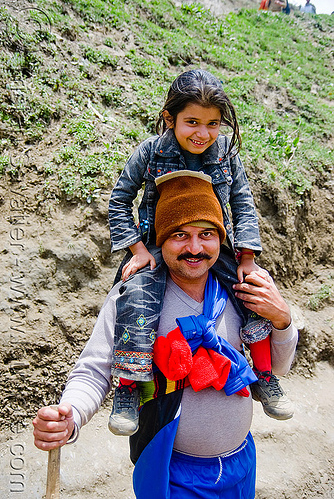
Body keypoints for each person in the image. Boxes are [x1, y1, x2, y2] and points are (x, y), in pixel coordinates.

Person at [33, 171, 298, 499]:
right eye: (180, 235)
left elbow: (278, 369)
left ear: (221, 238)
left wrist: (283, 319)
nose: (195, 247)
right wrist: (68, 416)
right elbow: (93, 371)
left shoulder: (242, 290)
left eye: (206, 234)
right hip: (171, 473)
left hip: (241, 462)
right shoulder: (134, 297)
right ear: (161, 238)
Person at [107, 69, 293, 436]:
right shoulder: (150, 152)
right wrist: (139, 249)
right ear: (169, 118)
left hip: (212, 247)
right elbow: (119, 201)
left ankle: (264, 376)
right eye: (192, 121)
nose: (202, 133)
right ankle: (127, 387)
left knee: (250, 293)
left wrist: (247, 258)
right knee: (136, 296)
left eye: (212, 124)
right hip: (160, 247)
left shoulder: (226, 154)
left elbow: (242, 203)